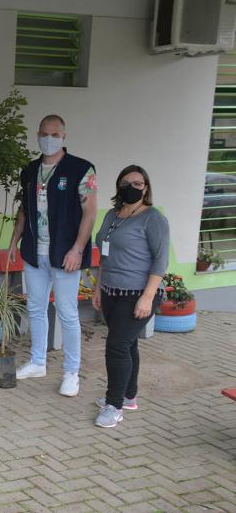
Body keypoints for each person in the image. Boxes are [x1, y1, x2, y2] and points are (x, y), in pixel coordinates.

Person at [8, 114, 97, 397]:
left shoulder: (81, 169)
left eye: (55, 134)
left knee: (67, 314)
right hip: (35, 252)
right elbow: (25, 208)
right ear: (38, 134)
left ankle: (71, 373)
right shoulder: (31, 169)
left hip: (65, 254)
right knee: (35, 308)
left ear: (64, 136)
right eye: (44, 134)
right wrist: (14, 240)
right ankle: (37, 361)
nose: (49, 139)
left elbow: (90, 212)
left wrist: (78, 249)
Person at [92, 165, 169, 428]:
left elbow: (161, 261)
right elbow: (103, 255)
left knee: (116, 345)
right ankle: (129, 396)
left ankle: (114, 405)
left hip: (139, 293)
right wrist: (97, 287)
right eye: (126, 182)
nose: (131, 187)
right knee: (127, 344)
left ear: (146, 188)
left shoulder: (153, 218)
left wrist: (147, 297)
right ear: (118, 186)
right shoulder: (112, 215)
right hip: (111, 290)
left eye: (138, 183)